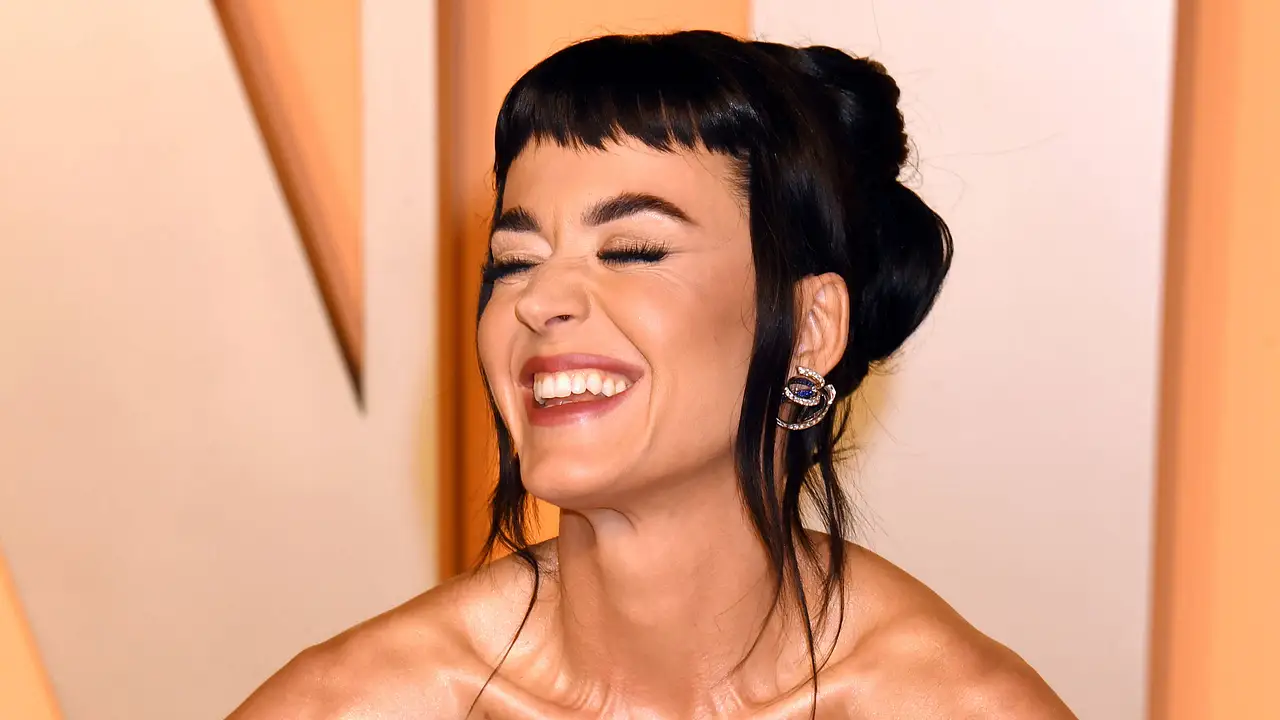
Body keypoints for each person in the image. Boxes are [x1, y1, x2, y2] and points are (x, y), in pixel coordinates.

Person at [229, 30, 1076, 719]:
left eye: (632, 249)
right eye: (514, 262)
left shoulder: (958, 705)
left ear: (810, 327)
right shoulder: (358, 702)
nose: (540, 301)